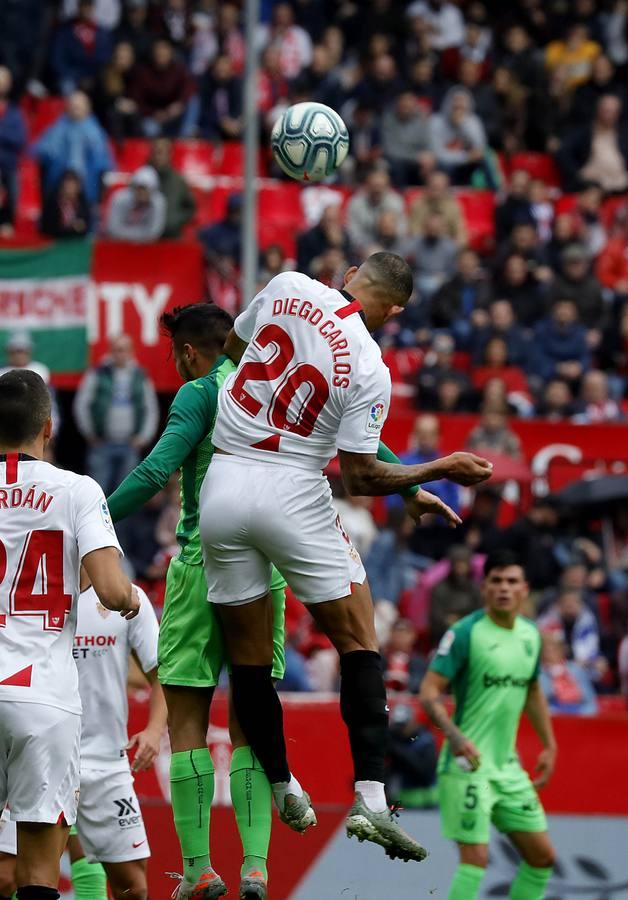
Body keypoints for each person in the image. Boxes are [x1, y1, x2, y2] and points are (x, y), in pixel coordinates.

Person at [198, 252, 493, 862]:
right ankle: (371, 798)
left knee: (248, 661)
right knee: (359, 639)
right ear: (397, 310)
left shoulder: (286, 285)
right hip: (293, 488)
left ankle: (283, 784)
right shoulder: (369, 364)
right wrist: (437, 469)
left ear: (355, 268)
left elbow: (231, 346)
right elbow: (359, 477)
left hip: (223, 483)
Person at [107, 304, 288, 900]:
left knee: (187, 723)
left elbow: (158, 468)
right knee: (251, 722)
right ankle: (256, 867)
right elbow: (362, 446)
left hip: (201, 568)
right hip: (266, 572)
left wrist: (88, 522)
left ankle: (198, 869)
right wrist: (413, 479)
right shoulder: (275, 390)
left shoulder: (198, 394)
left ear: (188, 353)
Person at [0, 369, 137, 900]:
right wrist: (131, 599)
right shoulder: (77, 490)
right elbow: (111, 591)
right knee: (39, 871)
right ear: (49, 428)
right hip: (44, 697)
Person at [0, 578, 165, 900]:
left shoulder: (128, 597)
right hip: (38, 754)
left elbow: (161, 674)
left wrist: (154, 731)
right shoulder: (30, 595)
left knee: (133, 887)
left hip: (105, 759)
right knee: (3, 875)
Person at [419, 550, 557, 900]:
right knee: (476, 858)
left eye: (512, 582)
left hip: (506, 767)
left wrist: (549, 745)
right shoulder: (465, 633)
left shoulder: (531, 636)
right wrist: (456, 737)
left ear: (525, 589)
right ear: (484, 588)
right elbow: (429, 693)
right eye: (496, 581)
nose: (504, 589)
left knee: (542, 858)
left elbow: (533, 689)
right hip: (467, 766)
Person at [73, 335, 159, 495]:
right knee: (97, 492)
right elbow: (82, 403)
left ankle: (123, 522)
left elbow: (150, 407)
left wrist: (144, 437)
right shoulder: (98, 373)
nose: (120, 354)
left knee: (125, 494)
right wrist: (89, 432)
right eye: (116, 350)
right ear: (111, 351)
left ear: (131, 352)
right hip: (102, 443)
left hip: (129, 444)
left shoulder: (140, 375)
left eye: (123, 350)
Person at [0, 332, 61, 449]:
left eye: (22, 350)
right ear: (8, 351)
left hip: (33, 436)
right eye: (16, 350)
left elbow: (50, 407)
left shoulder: (42, 372)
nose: (19, 354)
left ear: (29, 351)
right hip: (2, 436)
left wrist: (50, 434)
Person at [34, 91, 113, 208]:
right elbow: (42, 151)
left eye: (79, 106)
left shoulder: (96, 132)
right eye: (73, 105)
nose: (76, 108)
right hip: (58, 187)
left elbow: (103, 161)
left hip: (87, 189)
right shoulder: (57, 128)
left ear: (88, 108)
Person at [130, 38, 199, 138]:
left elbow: (191, 87)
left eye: (164, 52)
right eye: (158, 53)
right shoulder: (143, 73)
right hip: (153, 117)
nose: (161, 55)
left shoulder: (178, 69)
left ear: (171, 53)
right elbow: (136, 101)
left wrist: (179, 104)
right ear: (153, 54)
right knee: (149, 129)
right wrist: (153, 113)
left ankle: (184, 139)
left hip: (173, 115)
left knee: (194, 101)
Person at [50, 0, 112, 95]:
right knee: (66, 84)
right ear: (78, 7)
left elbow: (105, 58)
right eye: (84, 6)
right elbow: (58, 60)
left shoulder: (102, 32)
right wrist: (77, 77)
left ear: (93, 8)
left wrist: (93, 77)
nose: (86, 9)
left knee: (109, 83)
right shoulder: (65, 31)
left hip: (95, 77)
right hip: (72, 76)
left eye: (89, 6)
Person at [346, 166, 407, 256]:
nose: (377, 190)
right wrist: (367, 247)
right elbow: (353, 233)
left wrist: (392, 232)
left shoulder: (396, 201)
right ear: (367, 186)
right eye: (374, 186)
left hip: (393, 247)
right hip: (364, 249)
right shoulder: (356, 203)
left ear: (387, 186)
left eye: (381, 186)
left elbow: (402, 229)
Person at [429, 545, 482, 645]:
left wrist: (459, 621)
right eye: (457, 564)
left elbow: (478, 615)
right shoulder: (439, 588)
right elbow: (435, 617)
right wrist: (448, 621)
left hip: (469, 635)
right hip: (444, 636)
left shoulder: (475, 589)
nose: (460, 568)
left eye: (463, 564)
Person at [380, 91, 434, 187]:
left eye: (409, 107)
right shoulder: (388, 120)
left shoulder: (421, 120)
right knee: (397, 165)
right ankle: (401, 195)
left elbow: (427, 144)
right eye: (403, 106)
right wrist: (416, 157)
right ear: (397, 106)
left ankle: (422, 196)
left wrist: (428, 157)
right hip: (395, 161)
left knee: (430, 165)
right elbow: (390, 150)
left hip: (417, 162)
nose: (406, 110)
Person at [539, 631, 598, 716]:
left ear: (562, 650)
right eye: (546, 649)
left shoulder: (576, 670)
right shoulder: (539, 674)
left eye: (554, 648)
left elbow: (591, 704)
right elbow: (539, 703)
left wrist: (579, 714)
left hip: (579, 717)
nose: (549, 653)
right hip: (553, 716)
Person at [147, 136, 196, 239]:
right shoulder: (142, 178)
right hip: (145, 237)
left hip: (171, 237)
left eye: (161, 152)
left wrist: (176, 220)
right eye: (155, 152)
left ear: (169, 154)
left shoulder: (178, 181)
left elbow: (190, 208)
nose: (157, 156)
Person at [105, 166, 167, 242]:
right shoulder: (119, 199)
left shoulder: (158, 202)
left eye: (145, 189)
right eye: (139, 188)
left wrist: (130, 236)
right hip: (120, 245)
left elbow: (154, 233)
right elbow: (113, 229)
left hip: (146, 248)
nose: (141, 193)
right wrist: (140, 236)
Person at [409, 169, 467, 247]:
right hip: (424, 246)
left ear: (446, 188)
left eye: (439, 187)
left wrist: (454, 247)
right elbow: (414, 232)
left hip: (446, 246)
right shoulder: (418, 204)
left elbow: (460, 233)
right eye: (433, 187)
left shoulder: (453, 206)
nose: (436, 191)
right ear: (427, 187)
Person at [40, 169, 91, 238]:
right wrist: (68, 227)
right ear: (62, 186)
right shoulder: (52, 204)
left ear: (78, 187)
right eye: (67, 185)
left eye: (73, 185)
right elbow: (46, 228)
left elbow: (87, 226)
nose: (70, 188)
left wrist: (80, 226)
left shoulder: (83, 203)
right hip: (56, 243)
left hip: (77, 242)